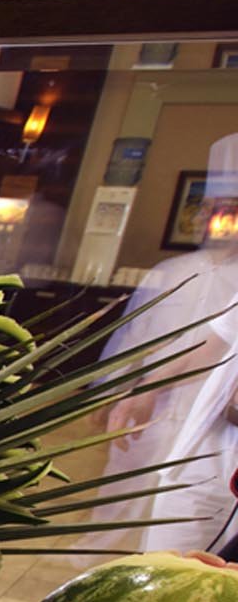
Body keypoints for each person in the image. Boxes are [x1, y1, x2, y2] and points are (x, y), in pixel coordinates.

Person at [98, 131, 238, 555]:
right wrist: (135, 390)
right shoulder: (174, 270)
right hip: (199, 442)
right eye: (220, 210)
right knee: (154, 542)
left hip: (217, 447)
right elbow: (204, 346)